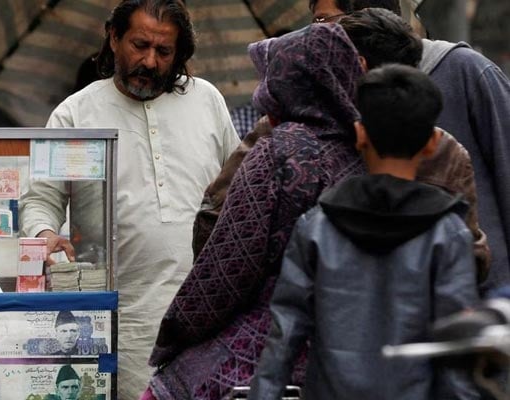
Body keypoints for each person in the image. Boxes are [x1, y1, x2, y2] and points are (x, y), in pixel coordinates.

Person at [19, 1, 240, 396]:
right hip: (126, 321)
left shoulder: (206, 99)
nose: (150, 62)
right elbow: (41, 199)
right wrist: (46, 232)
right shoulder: (75, 115)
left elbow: (238, 188)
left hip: (208, 312)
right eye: (139, 45)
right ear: (114, 37)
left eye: (164, 51)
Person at [145, 23, 366, 399]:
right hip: (355, 357)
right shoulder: (371, 153)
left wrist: (176, 334)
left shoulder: (279, 152)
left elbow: (228, 267)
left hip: (268, 352)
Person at [249, 63, 480, 399]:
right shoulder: (448, 234)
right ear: (432, 143)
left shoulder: (316, 228)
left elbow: (284, 337)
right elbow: (457, 355)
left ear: (359, 134)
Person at [311, 0, 510, 295]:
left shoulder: (464, 69)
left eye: (324, 21)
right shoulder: (336, 102)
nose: (317, 37)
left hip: (488, 294)